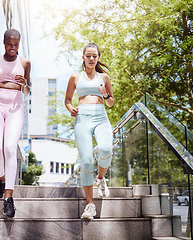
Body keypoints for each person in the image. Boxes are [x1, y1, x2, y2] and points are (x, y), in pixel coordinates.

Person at [65, 43, 114, 220]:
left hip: (101, 117)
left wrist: (105, 94)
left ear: (98, 58)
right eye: (88, 56)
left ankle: (100, 178)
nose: (91, 59)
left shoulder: (104, 78)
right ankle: (90, 205)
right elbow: (68, 99)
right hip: (82, 119)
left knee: (106, 149)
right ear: (83, 58)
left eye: (94, 56)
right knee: (86, 161)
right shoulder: (75, 77)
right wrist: (70, 109)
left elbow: (111, 103)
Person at [0, 29, 31, 218]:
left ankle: (8, 198)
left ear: (19, 44)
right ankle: (1, 179)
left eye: (16, 44)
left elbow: (27, 91)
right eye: (9, 44)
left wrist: (24, 84)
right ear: (4, 42)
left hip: (16, 106)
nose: (12, 47)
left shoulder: (25, 63)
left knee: (10, 149)